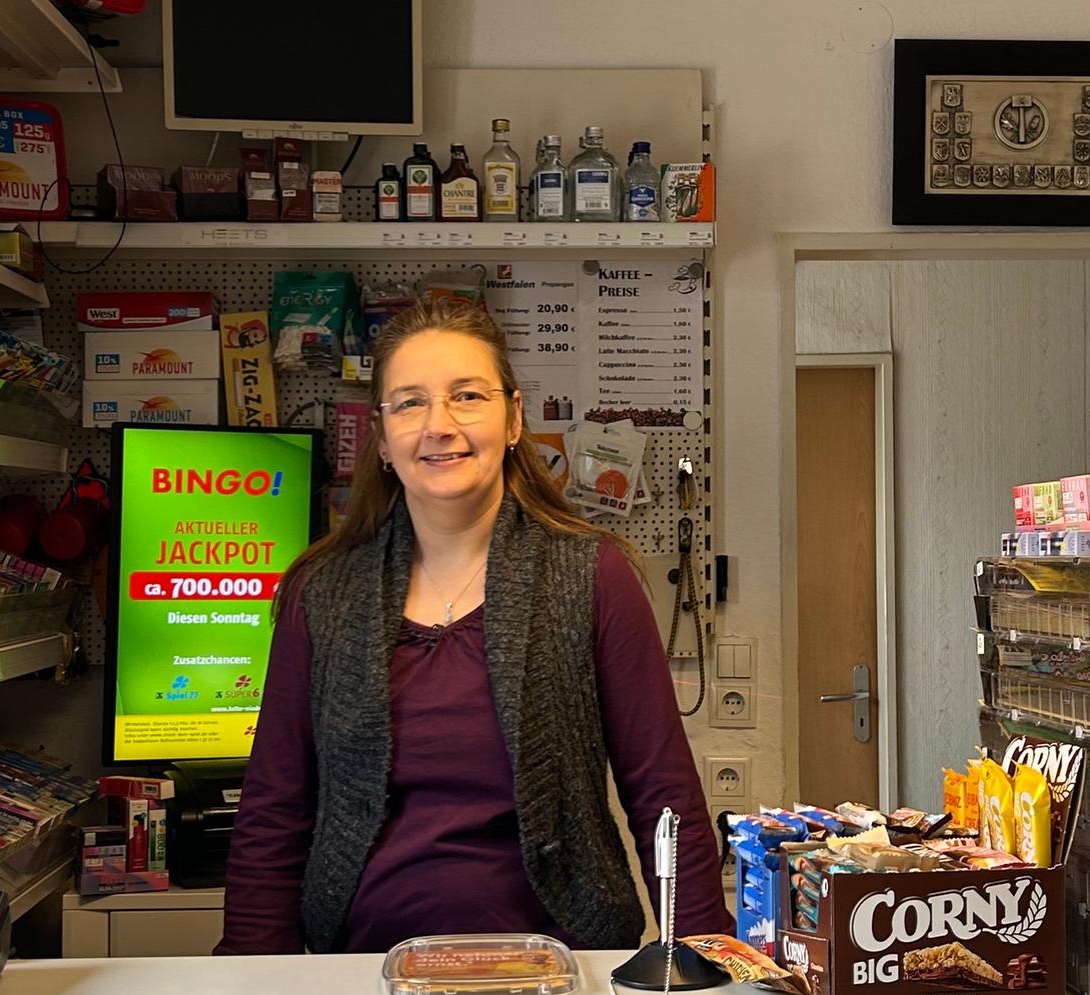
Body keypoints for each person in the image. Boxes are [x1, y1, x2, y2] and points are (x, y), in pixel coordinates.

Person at [217, 299, 729, 955]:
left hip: (566, 976)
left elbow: (664, 797)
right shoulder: (321, 592)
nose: (440, 425)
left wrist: (706, 958)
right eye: (409, 403)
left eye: (467, 396)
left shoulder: (592, 576)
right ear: (380, 435)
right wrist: (255, 979)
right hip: (361, 981)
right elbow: (273, 808)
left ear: (513, 418)